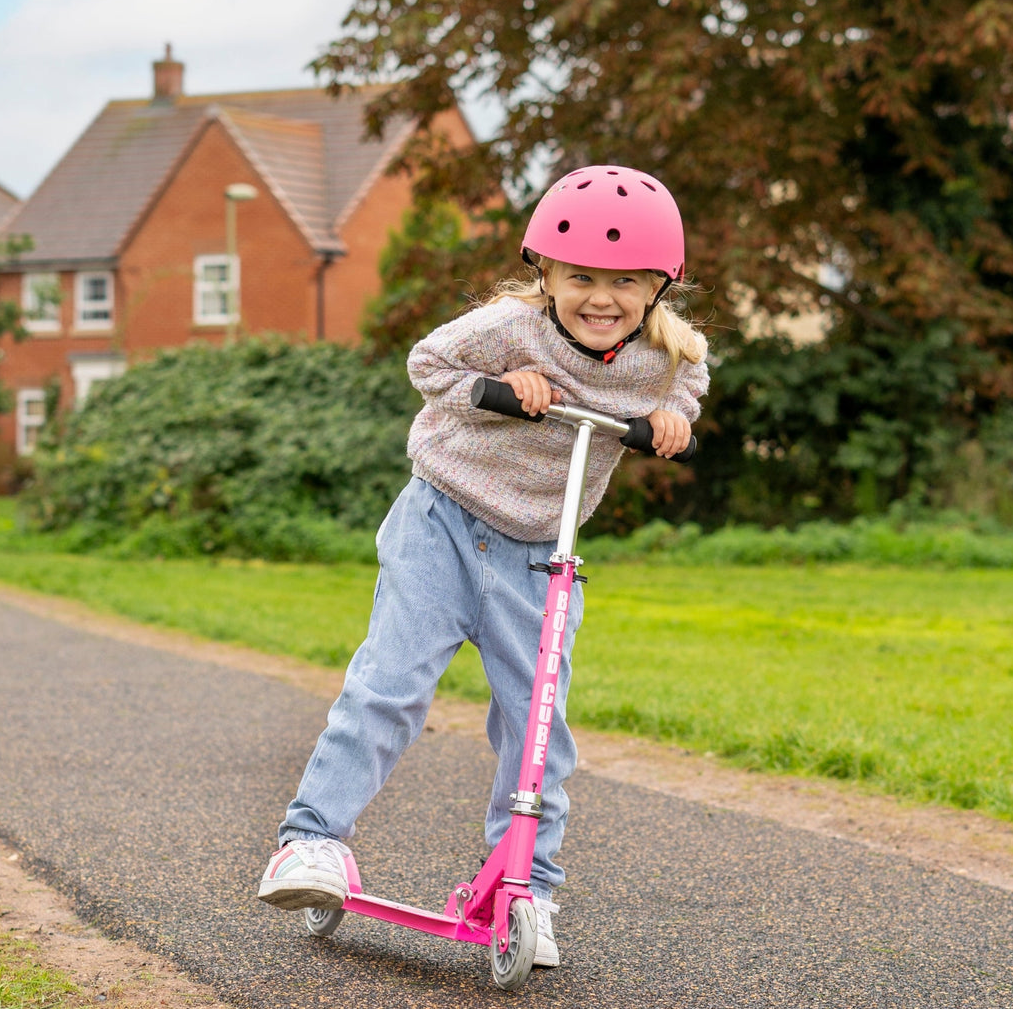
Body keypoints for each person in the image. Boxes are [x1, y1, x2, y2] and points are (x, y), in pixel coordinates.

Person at [257, 164, 709, 968]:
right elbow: (425, 366)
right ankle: (312, 841)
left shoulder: (666, 355)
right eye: (580, 279)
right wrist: (496, 386)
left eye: (625, 283)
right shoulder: (506, 326)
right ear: (546, 274)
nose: (600, 298)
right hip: (442, 519)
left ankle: (524, 883)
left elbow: (687, 388)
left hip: (544, 548)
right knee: (390, 686)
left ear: (657, 288)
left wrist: (670, 420)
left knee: (538, 725)